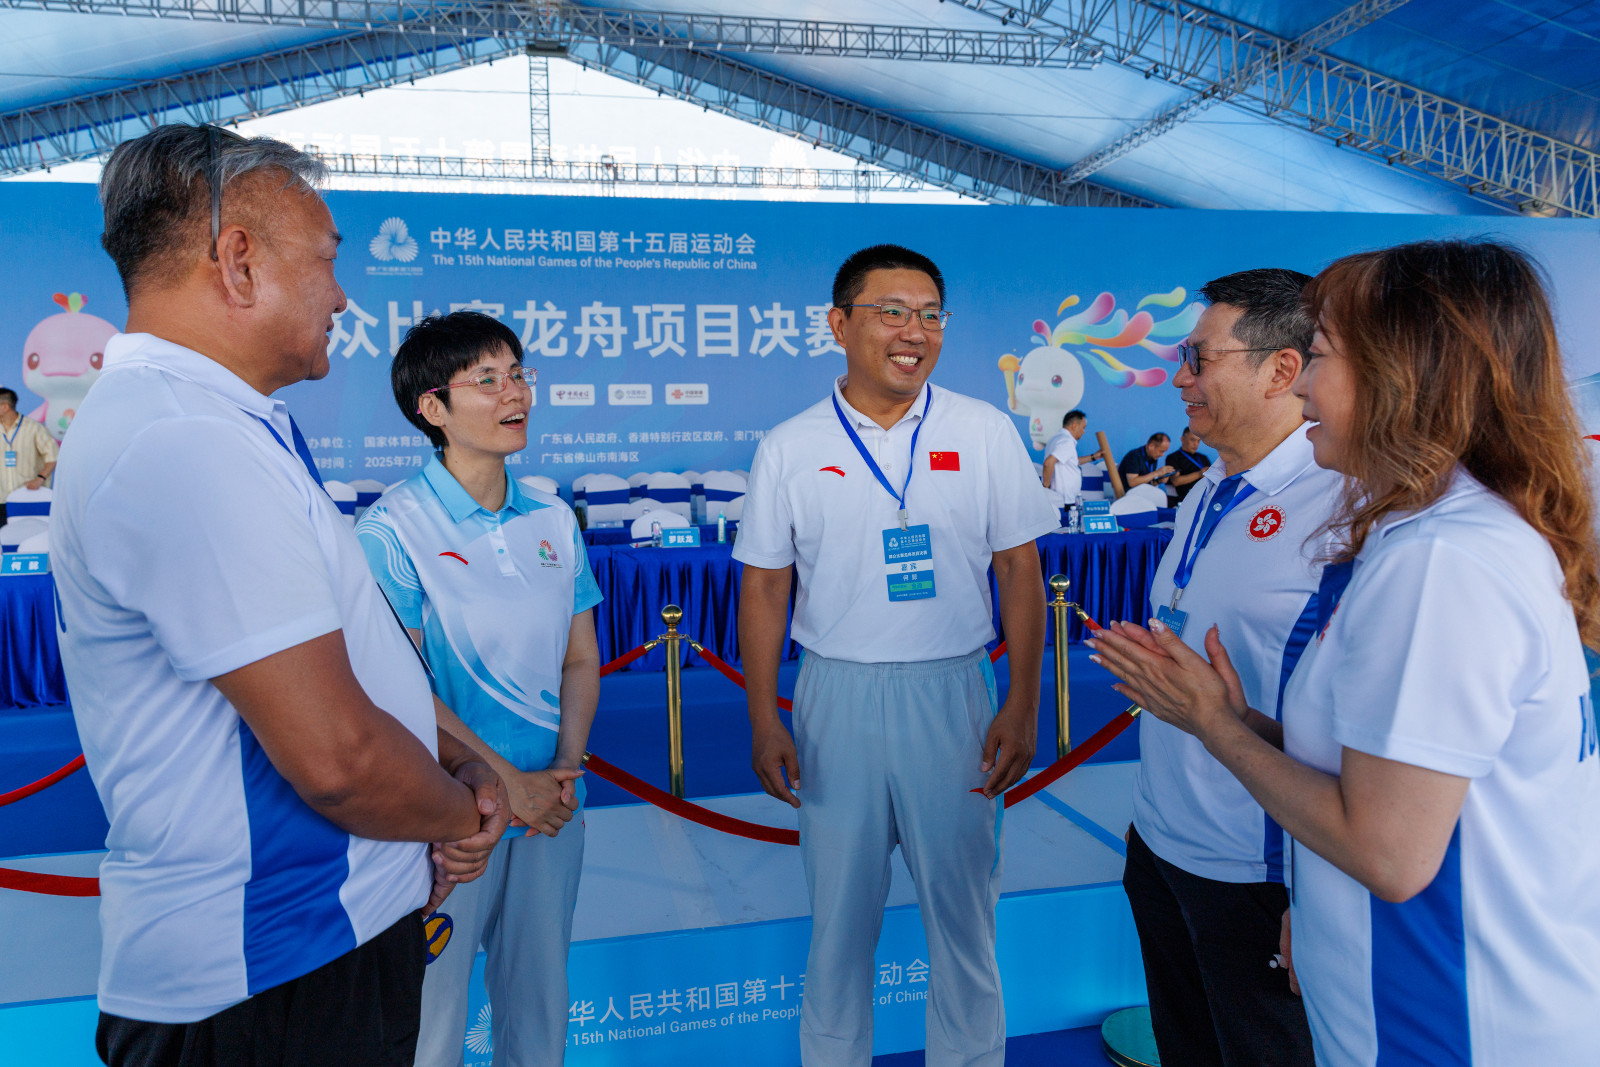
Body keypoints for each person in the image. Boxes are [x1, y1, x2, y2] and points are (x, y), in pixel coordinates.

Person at [50, 124, 507, 1067]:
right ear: (238, 261)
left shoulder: (217, 421)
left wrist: (456, 774)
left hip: (305, 955)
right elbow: (339, 758)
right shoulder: (184, 439)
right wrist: (462, 815)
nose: (342, 295)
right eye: (327, 261)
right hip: (271, 978)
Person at [1090, 240, 1600, 1066]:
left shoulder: (1442, 559)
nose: (1304, 388)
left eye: (1321, 356)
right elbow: (1386, 768)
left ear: (1405, 372)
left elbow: (1389, 850)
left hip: (1440, 1020)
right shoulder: (1432, 533)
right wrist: (1232, 716)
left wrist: (1215, 724)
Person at [734, 244, 1058, 1067]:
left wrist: (1022, 700)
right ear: (839, 324)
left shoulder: (982, 430)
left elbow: (1019, 569)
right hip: (834, 698)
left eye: (930, 314)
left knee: (964, 921)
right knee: (839, 926)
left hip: (955, 695)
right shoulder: (790, 445)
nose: (914, 332)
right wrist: (764, 715)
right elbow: (765, 587)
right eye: (891, 312)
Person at [357, 311, 602, 1067]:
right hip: (446, 820)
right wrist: (505, 785)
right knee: (433, 1020)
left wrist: (561, 772)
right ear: (432, 408)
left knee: (539, 1007)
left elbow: (580, 659)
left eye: (518, 374)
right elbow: (397, 689)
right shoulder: (391, 530)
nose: (513, 392)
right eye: (486, 380)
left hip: (552, 810)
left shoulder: (553, 518)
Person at [1120, 268, 1326, 1067]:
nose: (1180, 379)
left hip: (1258, 873)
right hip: (1161, 843)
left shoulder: (1340, 503)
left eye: (1198, 360)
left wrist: (1313, 896)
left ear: (1281, 370)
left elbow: (1351, 730)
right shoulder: (1210, 485)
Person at [0, 385, 58, 527]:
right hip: (1, 500)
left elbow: (53, 456)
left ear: (5, 407)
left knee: (27, 536)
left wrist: (40, 478)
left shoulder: (34, 428)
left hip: (28, 498)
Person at [1041, 408, 1092, 506]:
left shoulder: (1055, 439)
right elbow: (1048, 463)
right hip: (1064, 500)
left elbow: (1072, 461)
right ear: (1074, 426)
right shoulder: (1066, 442)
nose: (1084, 431)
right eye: (1083, 427)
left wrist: (1093, 457)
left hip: (1059, 498)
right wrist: (1045, 488)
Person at [1165, 426, 1211, 503]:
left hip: (1203, 498)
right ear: (1182, 439)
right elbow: (1176, 481)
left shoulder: (1203, 458)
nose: (1196, 444)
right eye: (1192, 440)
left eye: (1198, 441)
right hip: (1182, 500)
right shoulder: (1173, 458)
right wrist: (1199, 474)